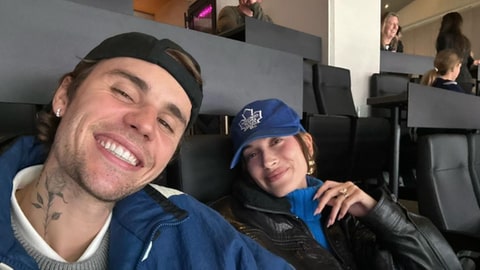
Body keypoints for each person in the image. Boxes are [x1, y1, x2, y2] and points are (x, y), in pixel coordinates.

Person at [0, 32, 293, 269]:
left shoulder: (188, 222)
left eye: (166, 123)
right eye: (124, 93)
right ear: (64, 95)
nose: (144, 124)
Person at [211, 98, 463, 269]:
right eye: (252, 154)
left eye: (276, 140)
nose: (267, 161)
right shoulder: (228, 221)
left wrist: (377, 212)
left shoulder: (346, 209)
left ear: (306, 144)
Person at [436, 11, 480, 93]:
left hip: (449, 79)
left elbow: (443, 60)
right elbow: (469, 62)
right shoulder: (465, 40)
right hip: (466, 80)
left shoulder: (443, 38)